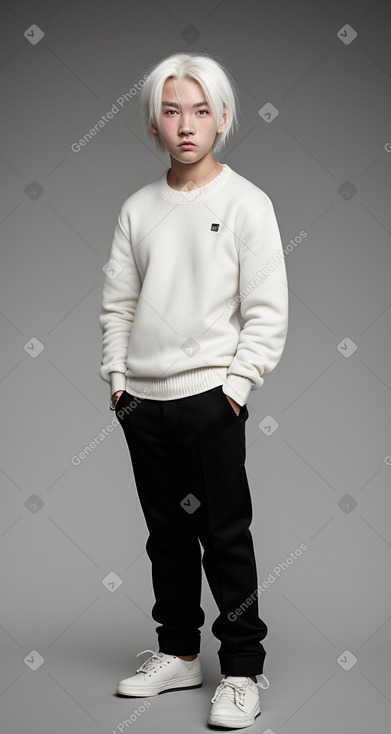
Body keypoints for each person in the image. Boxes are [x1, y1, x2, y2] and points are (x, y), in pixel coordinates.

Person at [99, 50, 288, 729]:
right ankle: (178, 653)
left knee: (224, 536)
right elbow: (118, 305)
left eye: (200, 110)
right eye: (172, 110)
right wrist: (118, 384)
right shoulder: (138, 207)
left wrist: (234, 390)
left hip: (210, 401)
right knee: (166, 537)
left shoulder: (245, 203)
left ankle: (241, 668)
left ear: (223, 119)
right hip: (142, 405)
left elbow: (266, 311)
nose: (186, 124)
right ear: (154, 123)